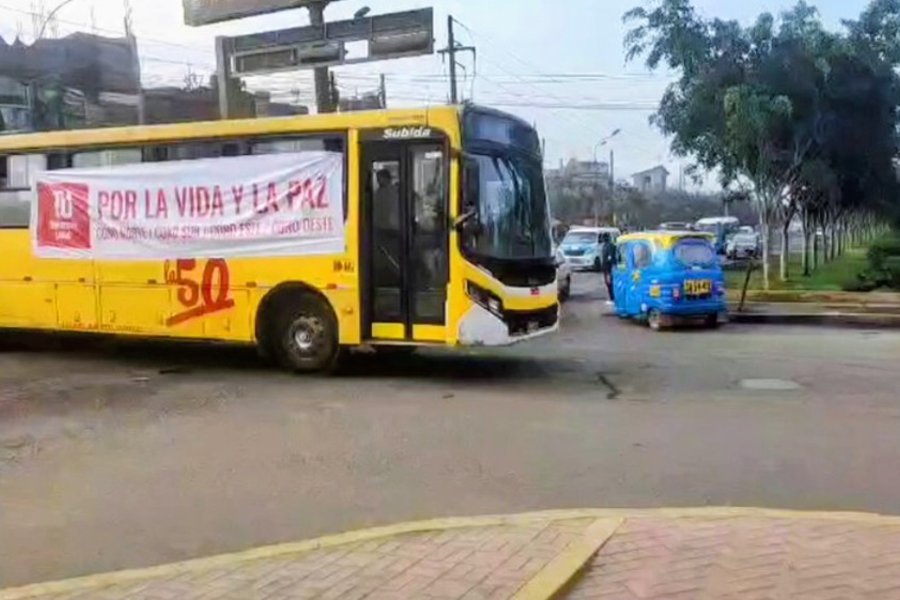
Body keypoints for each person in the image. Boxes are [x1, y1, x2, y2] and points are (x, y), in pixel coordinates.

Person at [600, 237, 617, 303]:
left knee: (609, 283)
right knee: (609, 282)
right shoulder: (608, 245)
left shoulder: (608, 246)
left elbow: (609, 257)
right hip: (607, 267)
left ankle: (612, 297)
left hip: (608, 268)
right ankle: (612, 297)